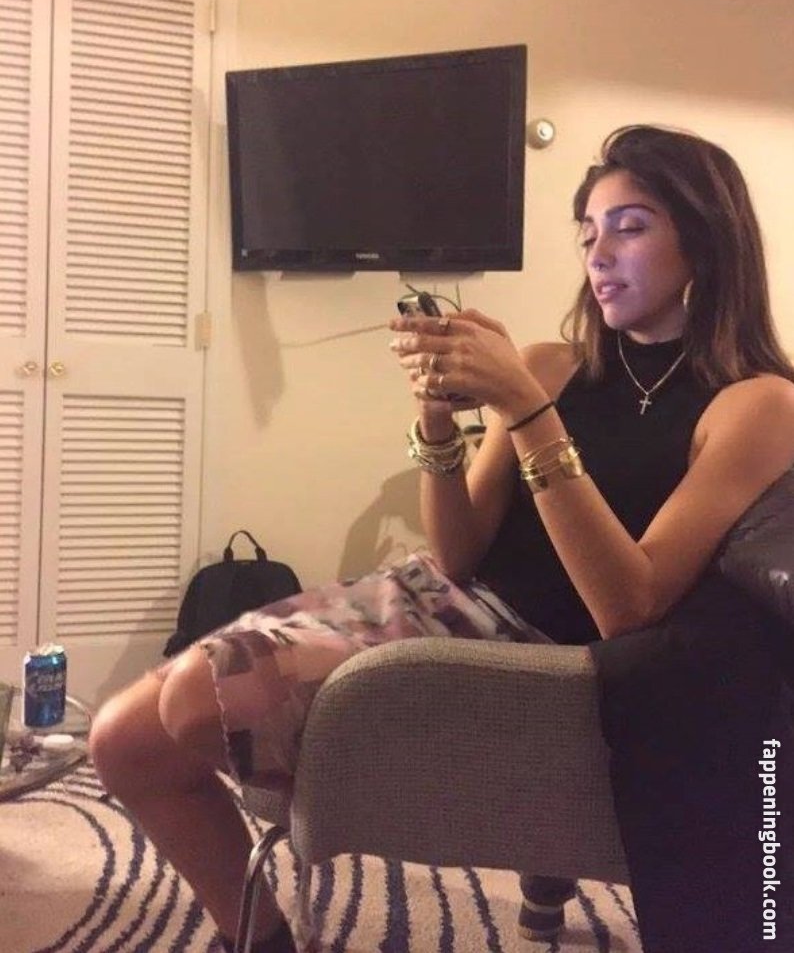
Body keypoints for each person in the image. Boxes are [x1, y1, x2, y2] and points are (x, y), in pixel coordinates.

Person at [89, 125, 794, 953]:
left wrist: (526, 411)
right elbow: (457, 554)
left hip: (527, 656)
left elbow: (629, 606)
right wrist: (435, 420)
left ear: (706, 241)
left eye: (629, 227)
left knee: (195, 701)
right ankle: (267, 940)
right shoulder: (554, 364)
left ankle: (377, 807)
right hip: (429, 595)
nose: (599, 255)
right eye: (588, 233)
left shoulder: (758, 404)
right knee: (120, 742)